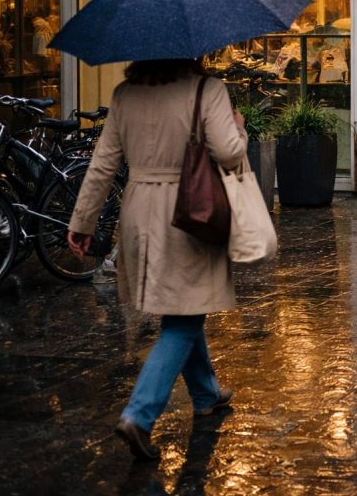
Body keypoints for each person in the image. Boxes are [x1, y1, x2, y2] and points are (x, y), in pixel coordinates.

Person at [66, 59, 248, 461]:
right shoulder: (207, 89)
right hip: (190, 212)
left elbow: (103, 163)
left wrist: (83, 221)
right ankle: (139, 414)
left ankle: (205, 392)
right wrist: (238, 125)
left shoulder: (125, 94)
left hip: (138, 209)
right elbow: (230, 154)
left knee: (184, 304)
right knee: (184, 317)